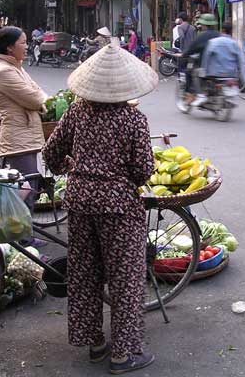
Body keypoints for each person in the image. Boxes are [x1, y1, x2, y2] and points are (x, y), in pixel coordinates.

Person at [42, 44, 157, 374]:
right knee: (125, 280)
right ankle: (124, 354)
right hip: (118, 206)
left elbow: (51, 154)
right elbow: (142, 171)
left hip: (79, 201)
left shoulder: (77, 112)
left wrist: (72, 168)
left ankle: (95, 343)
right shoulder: (134, 119)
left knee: (86, 273)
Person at [0, 26, 48, 208]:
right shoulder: (4, 71)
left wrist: (42, 99)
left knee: (30, 185)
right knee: (25, 189)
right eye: (23, 43)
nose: (27, 46)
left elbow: (39, 91)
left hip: (27, 135)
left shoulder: (16, 67)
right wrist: (43, 101)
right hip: (18, 138)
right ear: (9, 47)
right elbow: (35, 99)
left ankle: (25, 233)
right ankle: (23, 235)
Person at [191, 22, 245, 107]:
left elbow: (206, 57)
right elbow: (242, 61)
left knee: (195, 73)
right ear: (231, 31)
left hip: (214, 73)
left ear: (222, 30)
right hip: (231, 74)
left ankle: (201, 95)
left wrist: (204, 70)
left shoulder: (213, 42)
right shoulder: (235, 44)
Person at [177, 13, 220, 111]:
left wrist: (184, 55)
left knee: (190, 72)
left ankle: (196, 94)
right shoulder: (218, 35)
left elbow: (192, 47)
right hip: (218, 65)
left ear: (204, 25)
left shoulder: (202, 36)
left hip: (204, 65)